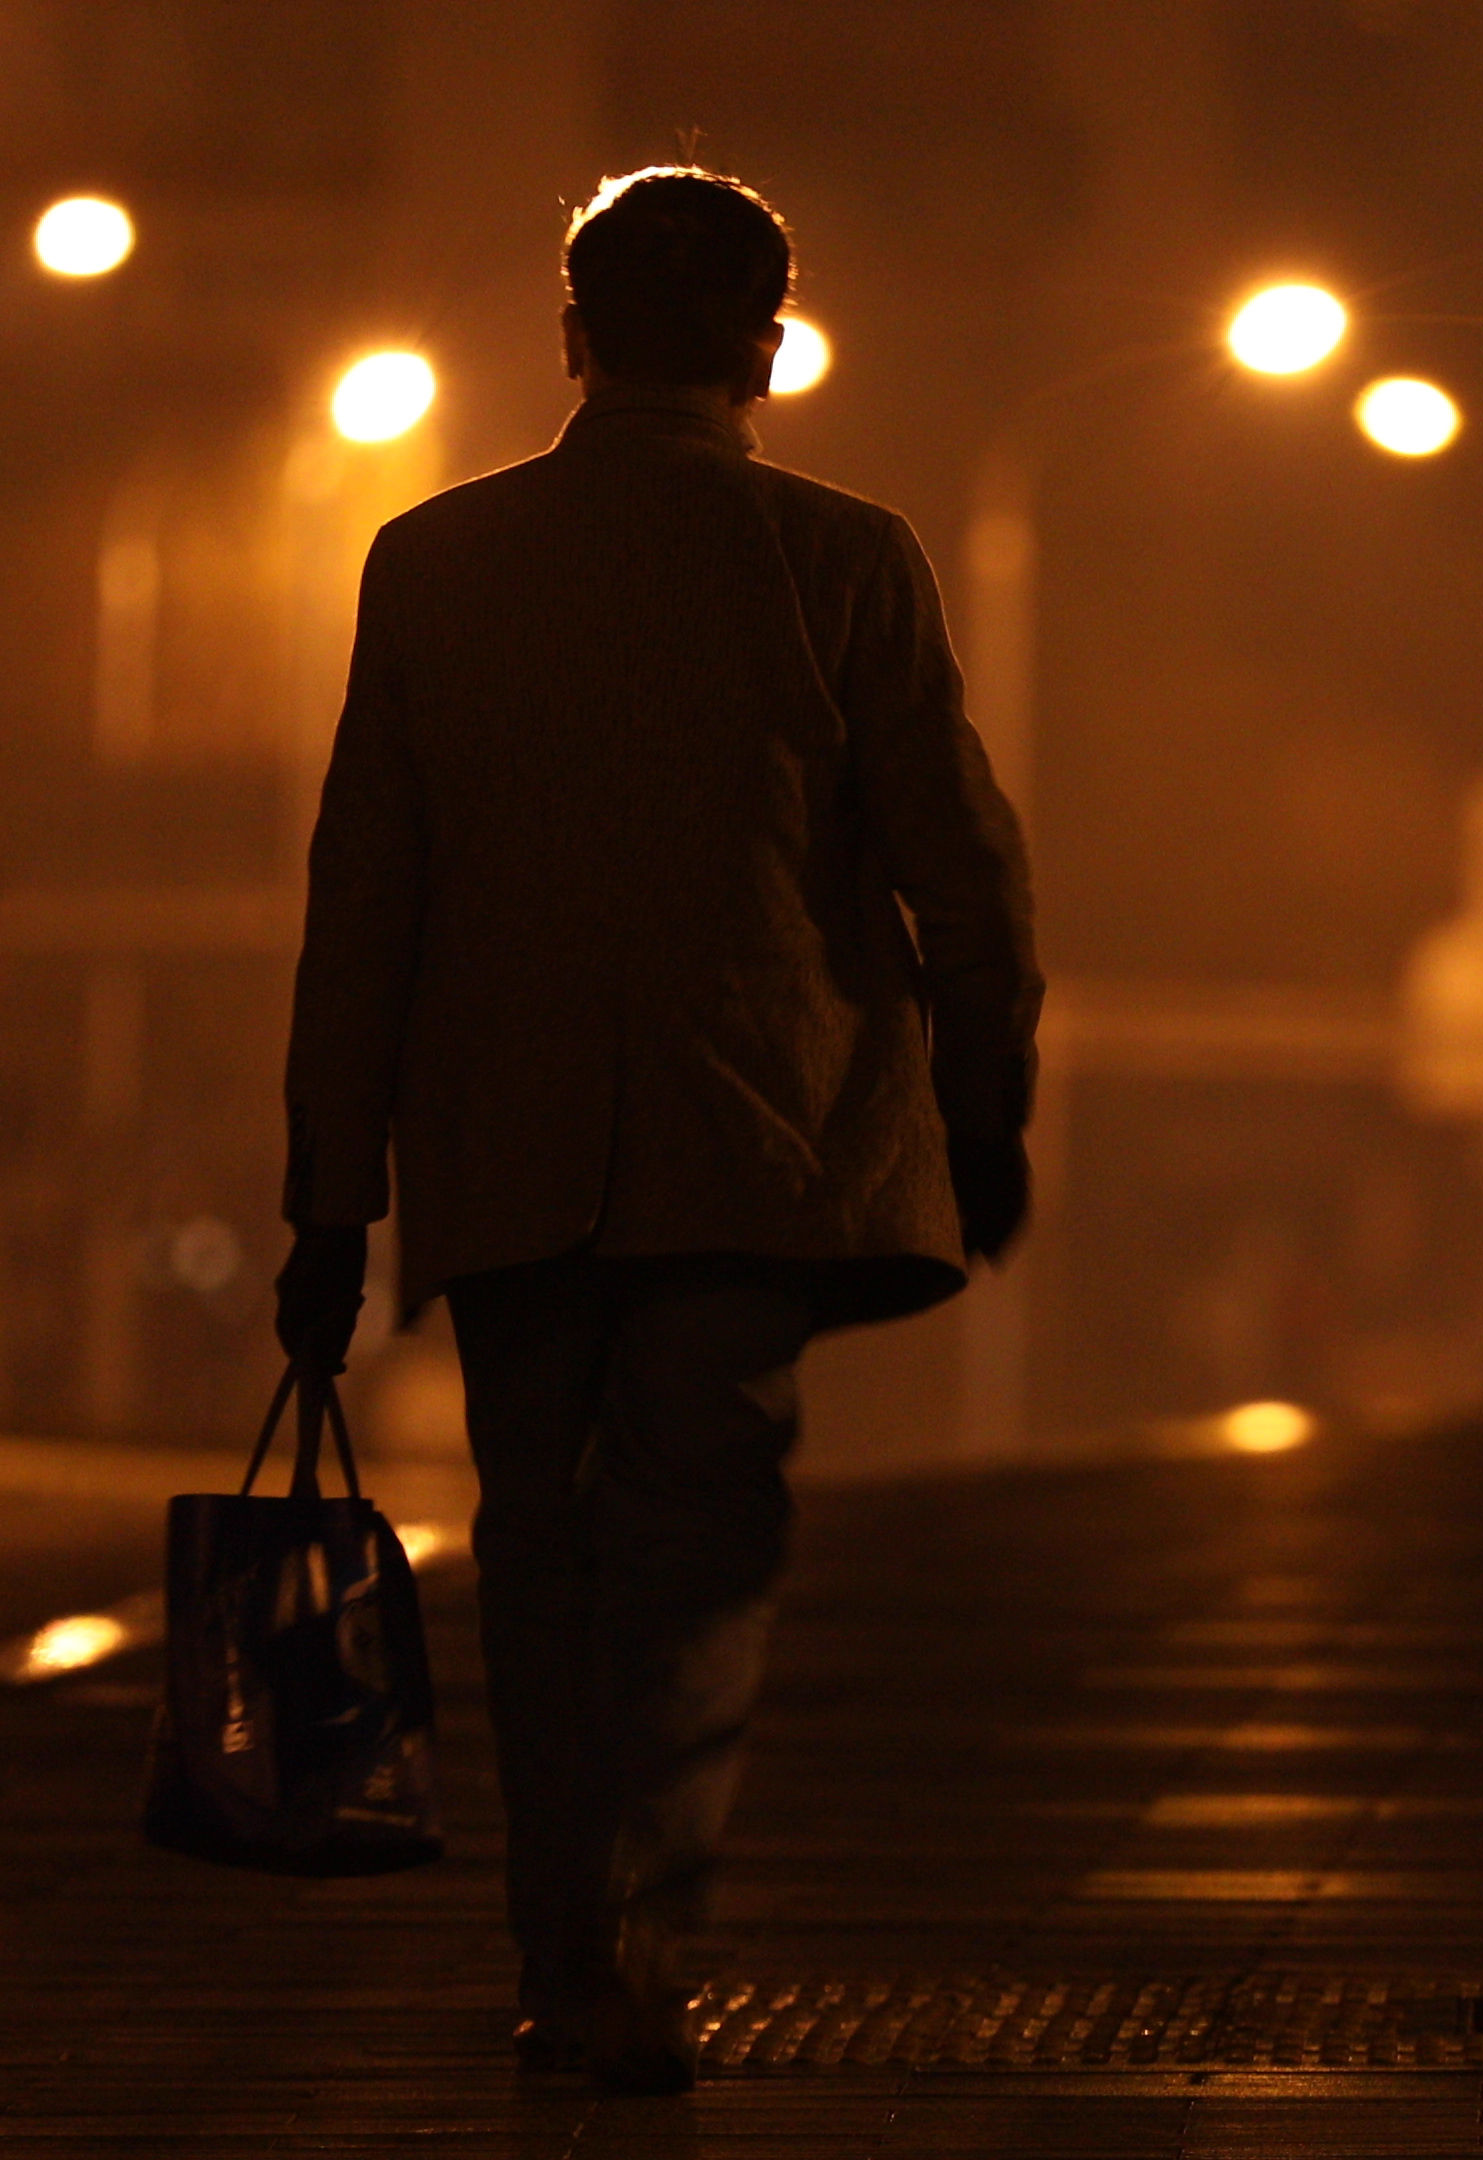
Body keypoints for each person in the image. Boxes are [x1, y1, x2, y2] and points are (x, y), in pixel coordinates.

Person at [272, 168, 1038, 2096]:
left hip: (508, 1159)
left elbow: (365, 893)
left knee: (538, 1546)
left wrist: (325, 1200)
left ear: (573, 337)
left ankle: (557, 1942)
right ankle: (643, 1929)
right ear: (767, 349)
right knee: (698, 1545)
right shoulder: (845, 563)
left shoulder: (431, 563)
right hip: (754, 1148)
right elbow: (966, 871)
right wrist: (982, 1105)